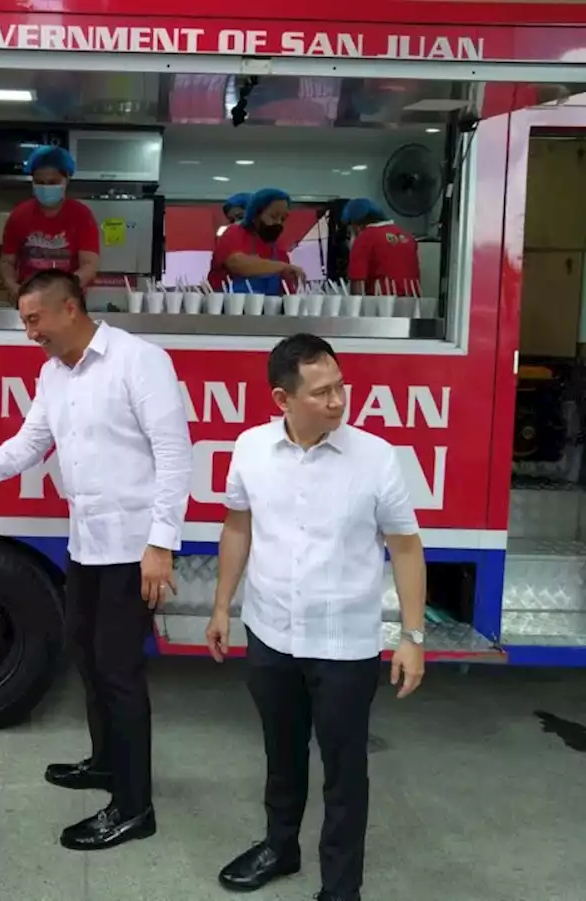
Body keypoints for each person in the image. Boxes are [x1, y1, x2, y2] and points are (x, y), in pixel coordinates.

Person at [0, 269, 192, 851]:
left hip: (134, 548)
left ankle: (134, 807)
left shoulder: (140, 361)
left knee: (120, 671)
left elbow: (174, 455)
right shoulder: (53, 373)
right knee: (85, 655)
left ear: (71, 309)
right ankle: (107, 764)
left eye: (34, 320)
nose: (29, 333)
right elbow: (33, 441)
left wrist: (161, 544)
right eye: (24, 322)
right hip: (87, 543)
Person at [205, 334, 427, 901]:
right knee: (281, 754)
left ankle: (340, 887)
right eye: (322, 391)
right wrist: (221, 606)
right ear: (283, 399)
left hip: (344, 645)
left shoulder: (374, 457)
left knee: (345, 773)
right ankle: (281, 848)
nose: (338, 400)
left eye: (341, 386)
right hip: (270, 632)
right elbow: (237, 526)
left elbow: (405, 546)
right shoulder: (250, 447)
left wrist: (412, 635)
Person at [0, 144, 100, 297]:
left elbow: (89, 265)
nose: (46, 187)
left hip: (67, 300)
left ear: (66, 179)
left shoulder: (82, 215)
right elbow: (7, 262)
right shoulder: (19, 215)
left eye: (53, 182)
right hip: (29, 298)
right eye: (40, 182)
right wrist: (15, 288)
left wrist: (63, 291)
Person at [208, 187, 307, 294]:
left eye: (283, 219)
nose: (278, 223)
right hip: (229, 308)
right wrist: (281, 267)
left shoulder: (278, 251)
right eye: (273, 216)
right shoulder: (234, 233)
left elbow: (286, 291)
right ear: (255, 215)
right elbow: (236, 263)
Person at [342, 198, 421, 297]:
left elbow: (357, 283)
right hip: (412, 303)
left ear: (356, 225)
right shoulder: (407, 236)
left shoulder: (364, 238)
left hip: (381, 305)